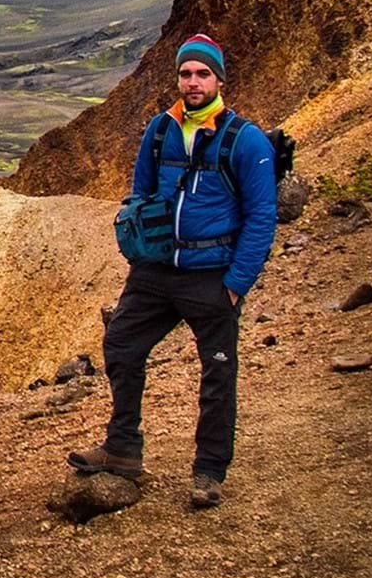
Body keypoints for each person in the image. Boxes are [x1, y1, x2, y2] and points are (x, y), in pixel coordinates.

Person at [67, 34, 277, 509]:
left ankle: (208, 471)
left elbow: (263, 216)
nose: (193, 81)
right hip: (158, 270)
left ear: (220, 79)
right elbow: (140, 195)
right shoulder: (160, 131)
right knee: (121, 343)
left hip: (213, 274)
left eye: (203, 73)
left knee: (217, 372)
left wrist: (236, 285)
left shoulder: (246, 140)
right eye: (186, 73)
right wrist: (141, 254)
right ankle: (122, 449)